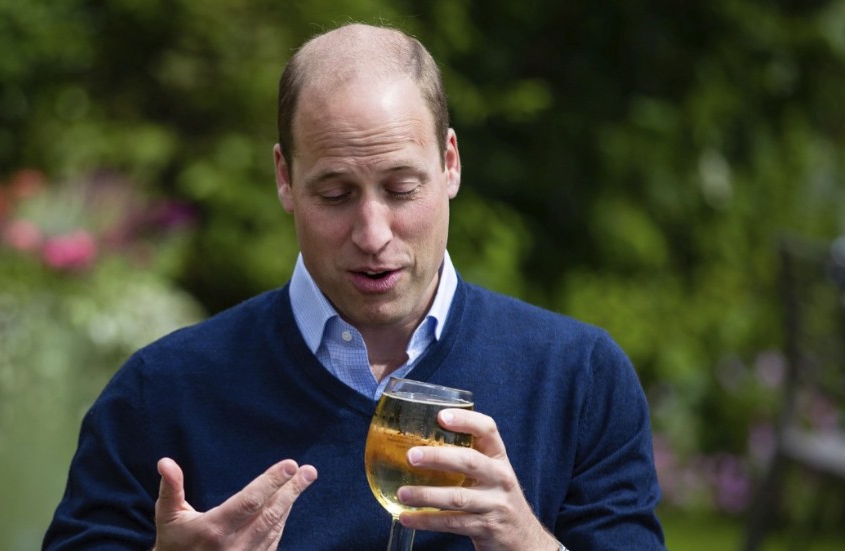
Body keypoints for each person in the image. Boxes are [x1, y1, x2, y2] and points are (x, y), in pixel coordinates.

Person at [43, 23, 665, 551]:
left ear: (450, 162)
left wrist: (526, 539)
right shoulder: (162, 395)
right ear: (285, 178)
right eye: (335, 194)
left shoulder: (579, 378)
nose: (372, 233)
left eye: (401, 189)